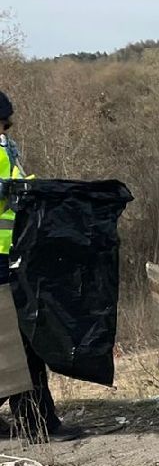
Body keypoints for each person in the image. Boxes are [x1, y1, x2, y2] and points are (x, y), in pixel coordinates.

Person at [0, 90, 83, 443]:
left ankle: (37, 421)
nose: (3, 132)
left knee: (17, 342)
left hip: (12, 257)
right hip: (4, 262)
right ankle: (38, 423)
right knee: (19, 342)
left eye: (5, 124)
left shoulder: (7, 150)